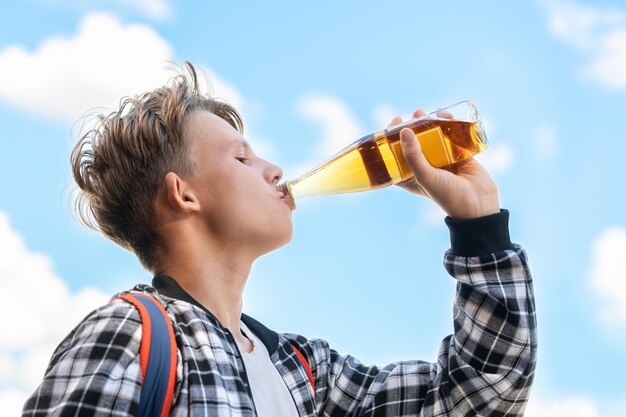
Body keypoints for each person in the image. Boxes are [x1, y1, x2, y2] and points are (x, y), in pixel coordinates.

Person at [22, 62, 537, 416]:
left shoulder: (304, 373)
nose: (274, 170)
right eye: (242, 158)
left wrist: (478, 225)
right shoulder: (131, 333)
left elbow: (475, 397)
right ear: (184, 195)